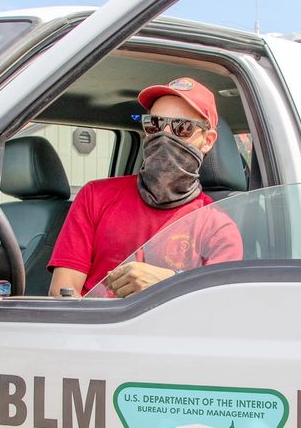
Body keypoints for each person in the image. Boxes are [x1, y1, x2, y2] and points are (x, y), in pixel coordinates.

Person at [48, 77, 243, 298]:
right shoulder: (95, 196)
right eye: (155, 124)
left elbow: (216, 310)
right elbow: (62, 292)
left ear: (207, 140)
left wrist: (169, 283)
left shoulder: (218, 229)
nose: (164, 135)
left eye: (182, 128)